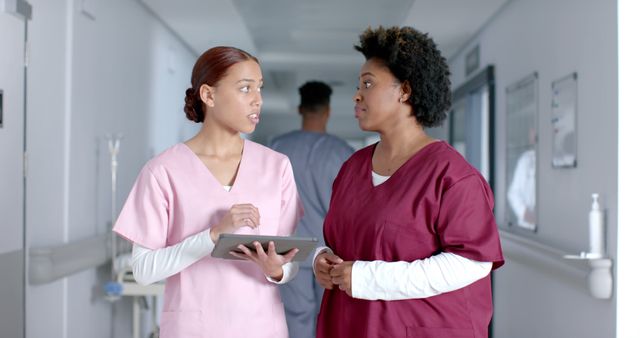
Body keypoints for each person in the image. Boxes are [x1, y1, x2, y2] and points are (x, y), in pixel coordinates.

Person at [313, 26, 504, 338]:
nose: (357, 94)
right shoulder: (352, 168)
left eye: (368, 83)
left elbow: (471, 263)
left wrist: (367, 277)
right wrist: (323, 260)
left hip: (417, 327)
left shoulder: (452, 176)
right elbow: (347, 241)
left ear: (405, 91)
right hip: (352, 324)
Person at [113, 46, 303, 338]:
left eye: (260, 89)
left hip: (262, 327)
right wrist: (212, 236)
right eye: (245, 88)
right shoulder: (164, 171)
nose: (257, 100)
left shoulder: (276, 167)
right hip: (193, 329)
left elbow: (289, 263)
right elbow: (144, 270)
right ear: (208, 95)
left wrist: (276, 270)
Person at [269, 81, 354, 338]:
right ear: (328, 110)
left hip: (290, 250)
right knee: (327, 319)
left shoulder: (277, 147)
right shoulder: (344, 153)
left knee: (296, 321)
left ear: (299, 109)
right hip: (330, 254)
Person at [508, 127, 536, 230]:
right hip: (528, 226)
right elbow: (513, 193)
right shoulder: (526, 160)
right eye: (531, 132)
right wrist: (524, 213)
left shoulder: (556, 158)